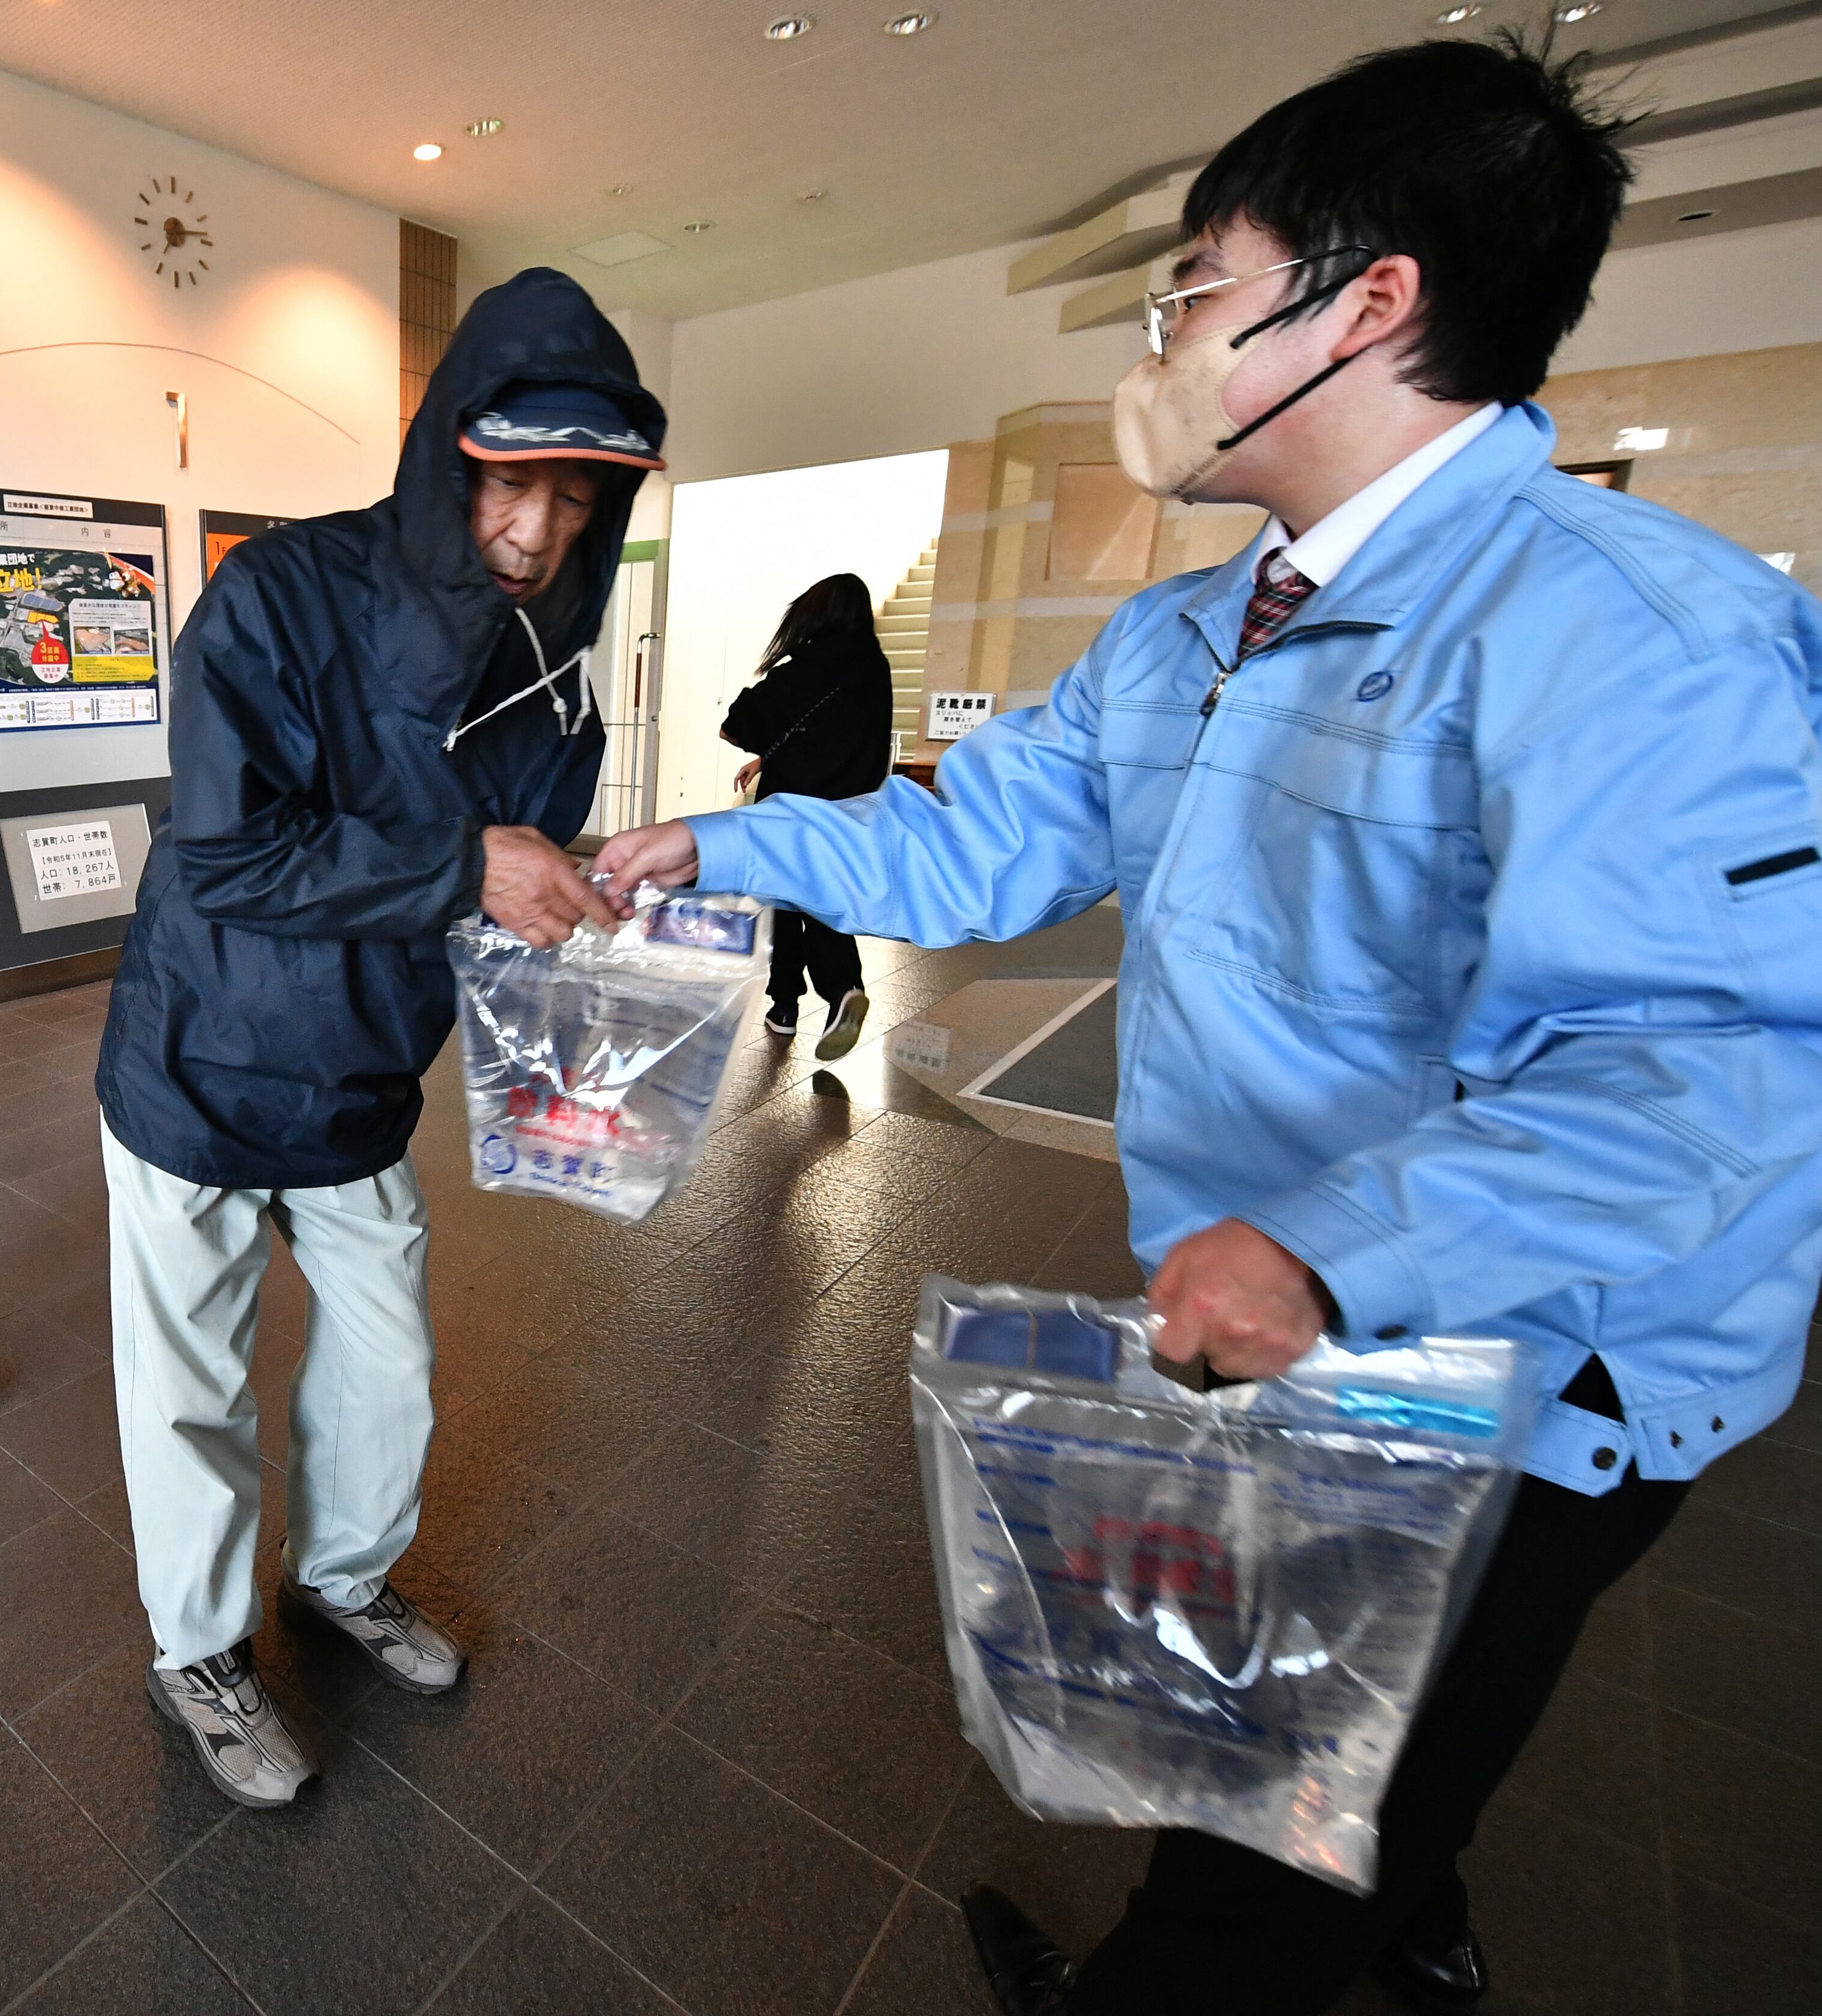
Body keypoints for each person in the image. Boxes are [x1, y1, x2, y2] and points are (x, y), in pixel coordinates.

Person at [599, 36, 1822, 2016]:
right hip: (1256, 1302)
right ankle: (1402, 1871)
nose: (1162, 338)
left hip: (1517, 1377)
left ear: (1370, 305)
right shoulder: (1182, 632)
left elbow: (1700, 1080)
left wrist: (1334, 1250)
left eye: (1194, 288)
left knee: (1257, 1826)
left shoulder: (1643, 636)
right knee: (1302, 1698)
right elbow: (981, 835)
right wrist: (723, 848)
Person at [96, 267, 662, 1808]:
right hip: (200, 1067)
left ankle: (343, 1573)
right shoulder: (278, 597)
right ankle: (198, 1646)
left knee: (387, 1365)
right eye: (510, 478)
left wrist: (577, 902)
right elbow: (221, 857)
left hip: (357, 1076)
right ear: (446, 456)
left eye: (577, 495)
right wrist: (471, 865)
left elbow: (500, 884)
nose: (537, 529)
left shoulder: (555, 677)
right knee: (187, 1384)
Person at [720, 571, 891, 1054]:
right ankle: (840, 991)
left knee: (785, 902)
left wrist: (762, 738)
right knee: (822, 897)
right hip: (855, 808)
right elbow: (836, 738)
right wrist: (769, 756)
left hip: (793, 809)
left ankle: (788, 1005)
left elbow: (734, 726)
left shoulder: (805, 667)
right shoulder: (875, 669)